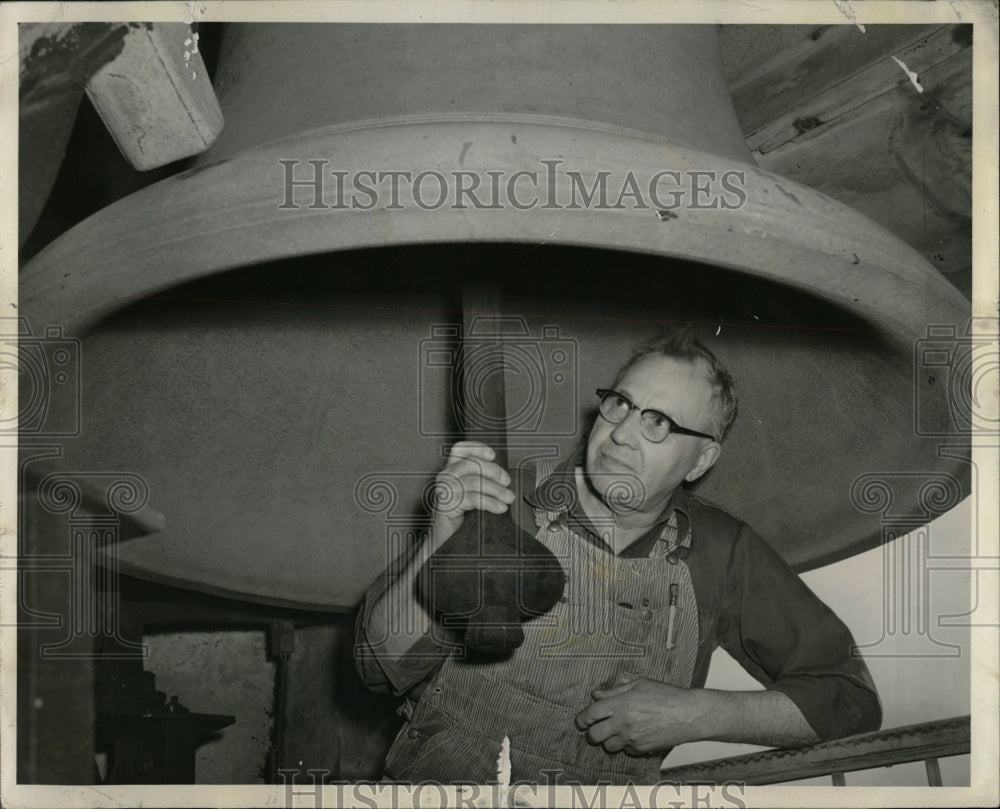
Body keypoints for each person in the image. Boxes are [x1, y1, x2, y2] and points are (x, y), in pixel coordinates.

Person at [354, 330, 881, 785]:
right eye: (621, 404)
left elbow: (850, 701)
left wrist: (698, 713)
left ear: (701, 460)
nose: (622, 433)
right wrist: (442, 540)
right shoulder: (504, 501)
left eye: (659, 423)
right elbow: (377, 667)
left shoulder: (723, 552)